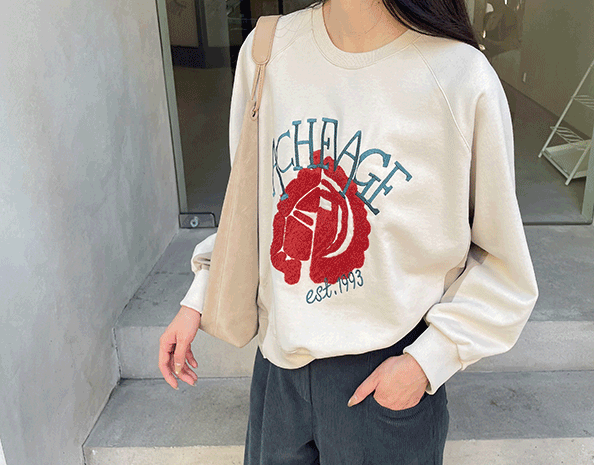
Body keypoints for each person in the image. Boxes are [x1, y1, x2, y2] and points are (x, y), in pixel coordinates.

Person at [159, 0, 540, 463]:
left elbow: (503, 264)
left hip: (385, 375)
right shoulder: (268, 49)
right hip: (279, 372)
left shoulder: (460, 77)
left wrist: (426, 362)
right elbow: (253, 204)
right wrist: (200, 296)